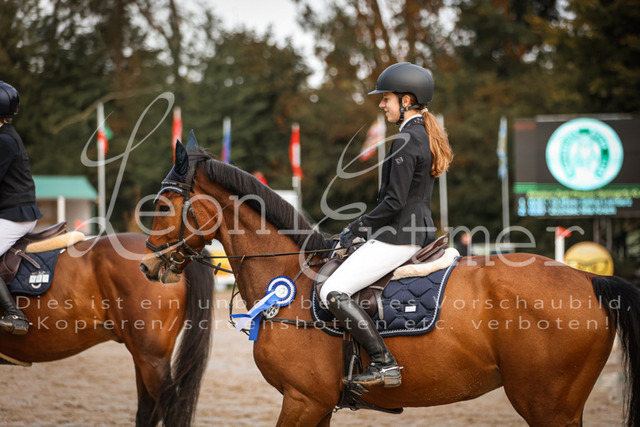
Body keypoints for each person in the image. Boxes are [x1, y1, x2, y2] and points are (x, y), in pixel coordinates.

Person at [320, 63, 453, 388]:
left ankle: (383, 363)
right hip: (413, 231)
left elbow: (393, 203)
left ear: (406, 100)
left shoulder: (407, 139)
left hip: (401, 236)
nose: (382, 104)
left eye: (386, 99)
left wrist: (356, 228)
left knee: (332, 291)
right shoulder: (421, 135)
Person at [0, 81, 42, 335]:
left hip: (15, 215)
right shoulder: (5, 136)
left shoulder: (5, 140)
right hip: (10, 212)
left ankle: (15, 315)